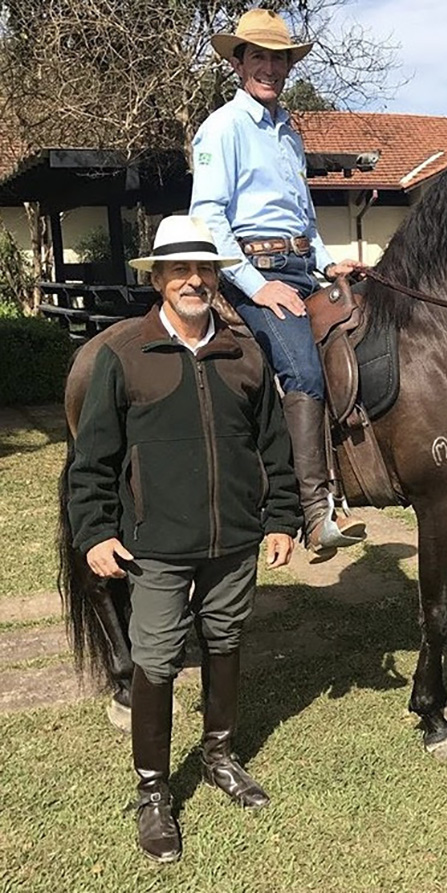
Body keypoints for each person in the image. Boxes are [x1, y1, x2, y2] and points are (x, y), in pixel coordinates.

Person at [67, 216, 302, 864]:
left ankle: (219, 754)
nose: (193, 280)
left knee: (225, 639)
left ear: (216, 277)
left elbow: (275, 447)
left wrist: (281, 517)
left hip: (234, 541)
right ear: (159, 279)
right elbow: (92, 459)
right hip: (157, 546)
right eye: (180, 269)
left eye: (204, 269)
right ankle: (153, 791)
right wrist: (94, 531)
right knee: (158, 656)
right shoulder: (123, 356)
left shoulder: (244, 353)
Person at [190, 8, 368, 557]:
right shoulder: (222, 128)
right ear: (238, 63)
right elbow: (208, 217)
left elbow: (304, 221)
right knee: (303, 369)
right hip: (252, 271)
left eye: (279, 59)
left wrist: (327, 264)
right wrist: (255, 285)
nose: (269, 68)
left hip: (300, 266)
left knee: (362, 329)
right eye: (258, 57)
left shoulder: (290, 133)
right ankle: (313, 510)